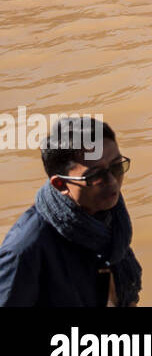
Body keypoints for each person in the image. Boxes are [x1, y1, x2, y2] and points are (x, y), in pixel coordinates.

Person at [0, 117, 142, 307]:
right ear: (60, 184)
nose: (112, 181)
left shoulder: (111, 216)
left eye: (116, 167)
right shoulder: (24, 251)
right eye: (95, 175)